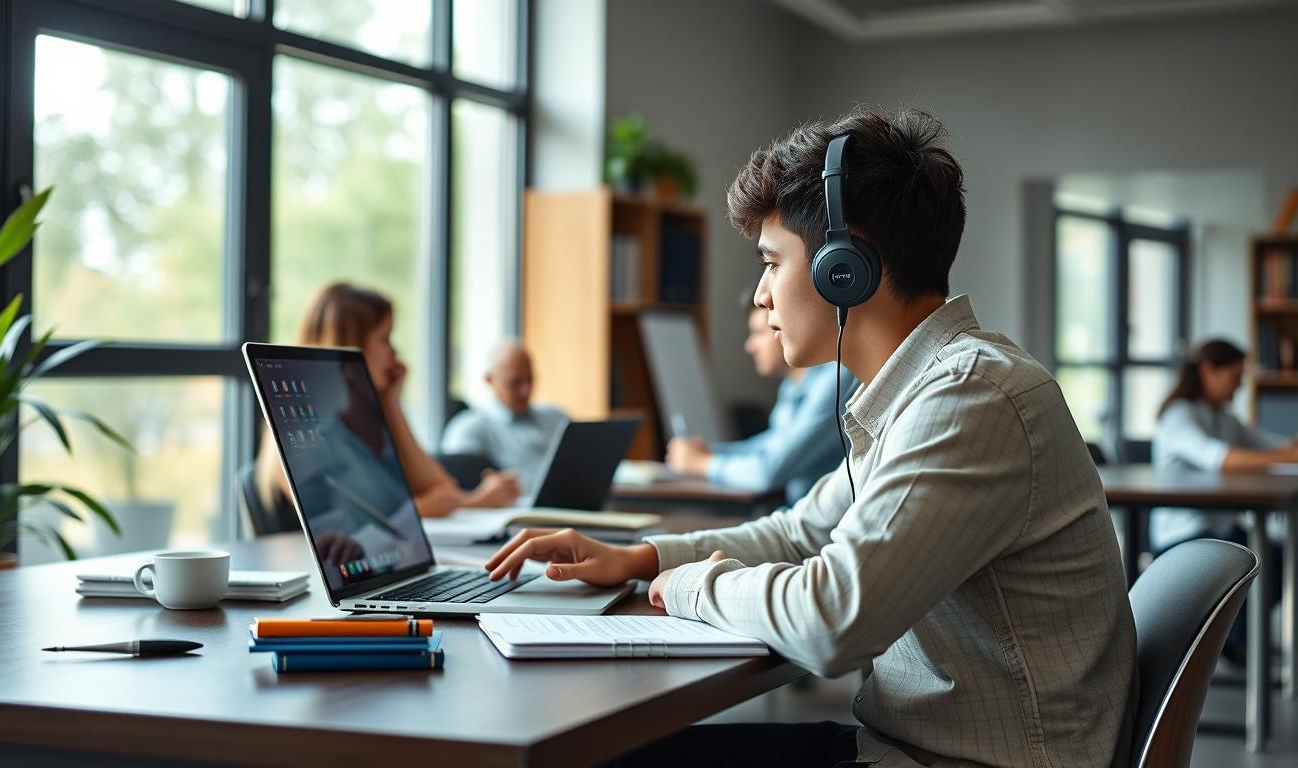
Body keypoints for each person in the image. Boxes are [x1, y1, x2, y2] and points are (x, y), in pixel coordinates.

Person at [484, 108, 1134, 768]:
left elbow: (833, 618)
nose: (763, 296)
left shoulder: (971, 398)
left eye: (772, 263)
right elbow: (800, 533)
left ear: (843, 266)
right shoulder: (919, 394)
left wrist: (686, 586)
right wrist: (643, 557)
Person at [255, 283, 521, 524]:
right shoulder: (311, 441)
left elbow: (444, 490)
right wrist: (444, 504)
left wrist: (392, 404)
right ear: (352, 346)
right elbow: (353, 526)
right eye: (385, 339)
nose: (394, 353)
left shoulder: (365, 427)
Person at [1150, 338, 1293, 662]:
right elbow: (1221, 459)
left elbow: (1267, 444)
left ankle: (1235, 639)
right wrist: (1284, 456)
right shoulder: (1178, 416)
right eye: (1235, 376)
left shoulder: (1222, 416)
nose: (1239, 386)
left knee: (1277, 558)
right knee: (1256, 561)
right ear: (1207, 371)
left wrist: (1289, 450)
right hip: (1184, 536)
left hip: (1221, 529)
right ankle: (1231, 641)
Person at [665, 285, 857, 504]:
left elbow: (770, 470)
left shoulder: (836, 380)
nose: (749, 346)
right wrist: (712, 452)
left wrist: (701, 463)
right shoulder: (792, 385)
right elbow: (770, 445)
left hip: (821, 530)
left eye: (758, 333)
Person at [439, 339, 569, 493]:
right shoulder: (470, 428)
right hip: (520, 512)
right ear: (490, 380)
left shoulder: (557, 418)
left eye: (530, 379)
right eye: (515, 382)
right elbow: (451, 483)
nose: (525, 390)